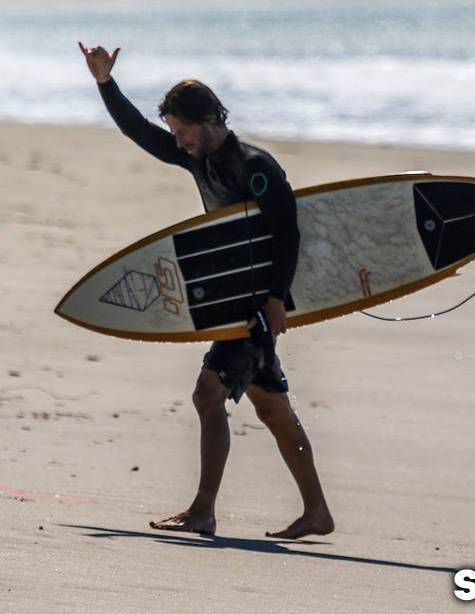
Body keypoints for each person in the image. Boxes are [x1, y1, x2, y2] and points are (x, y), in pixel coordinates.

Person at [78, 42, 333, 539]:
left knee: (207, 393)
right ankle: (316, 512)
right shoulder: (198, 161)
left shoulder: (255, 165)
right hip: (236, 299)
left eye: (183, 130)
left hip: (257, 305)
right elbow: (137, 130)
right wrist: (105, 83)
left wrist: (277, 298)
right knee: (271, 408)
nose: (178, 141)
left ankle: (204, 510)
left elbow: (288, 232)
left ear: (212, 117)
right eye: (173, 132)